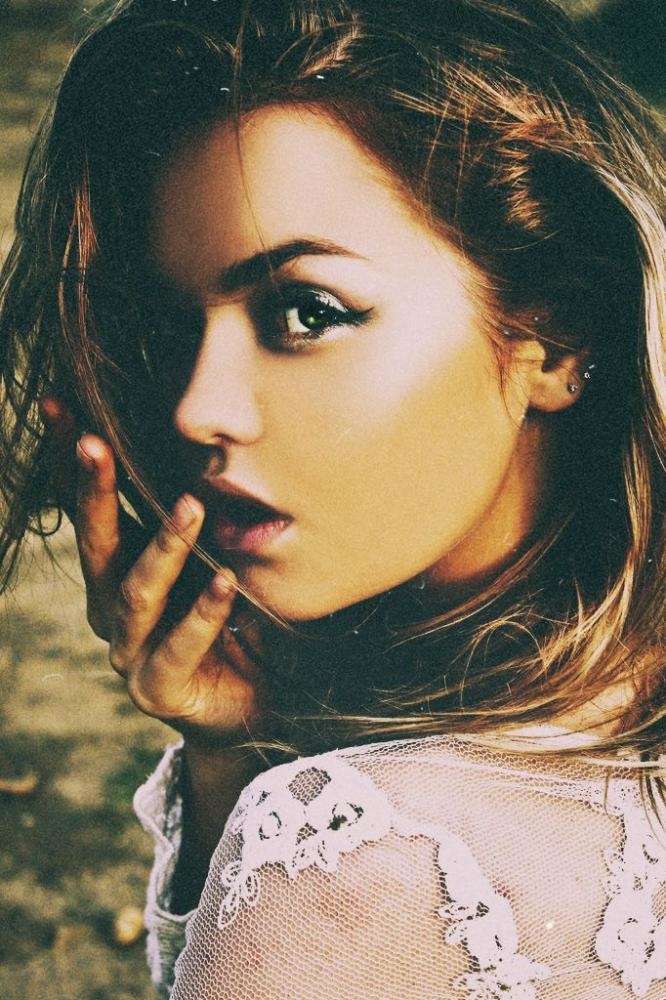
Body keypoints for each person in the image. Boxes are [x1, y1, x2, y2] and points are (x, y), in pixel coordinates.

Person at [1, 0, 664, 996]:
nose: (196, 409)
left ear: (556, 337)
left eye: (306, 311)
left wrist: (265, 809)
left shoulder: (350, 866)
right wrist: (231, 758)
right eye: (174, 328)